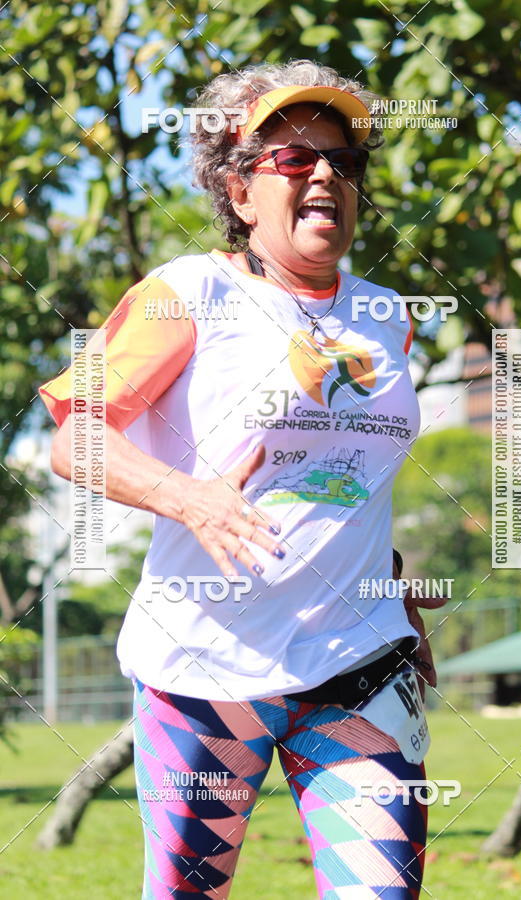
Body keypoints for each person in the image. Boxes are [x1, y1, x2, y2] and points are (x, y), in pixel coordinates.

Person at [40, 59, 446, 900]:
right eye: (294, 159)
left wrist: (388, 575)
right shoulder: (184, 294)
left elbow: (346, 474)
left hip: (359, 659)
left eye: (343, 160)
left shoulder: (388, 316)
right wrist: (187, 496)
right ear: (237, 188)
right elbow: (77, 439)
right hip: (207, 664)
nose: (326, 174)